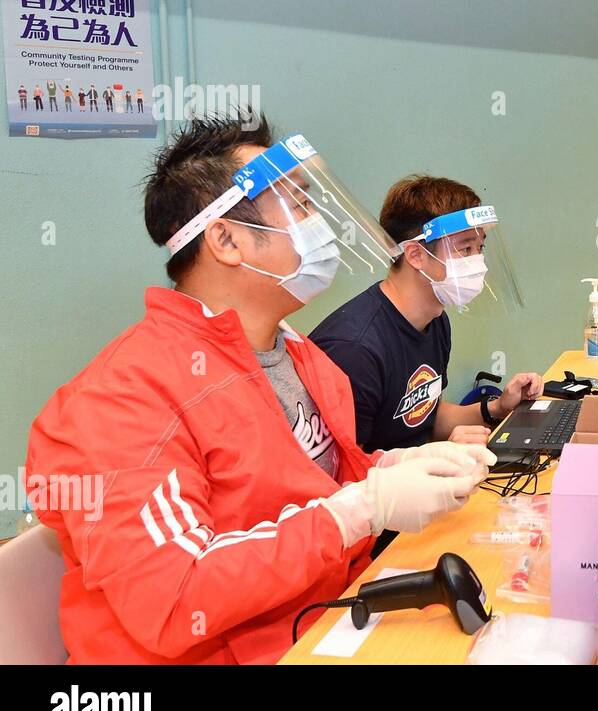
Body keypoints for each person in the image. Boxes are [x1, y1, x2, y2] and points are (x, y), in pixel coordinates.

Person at [25, 113, 494, 664]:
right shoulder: (122, 398)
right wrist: (361, 509)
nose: (318, 224)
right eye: (298, 206)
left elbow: (307, 485)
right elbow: (176, 596)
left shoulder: (292, 353)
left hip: (316, 626)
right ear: (225, 238)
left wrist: (392, 470)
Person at [312, 174, 541, 459]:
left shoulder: (434, 320)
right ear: (416, 255)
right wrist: (434, 458)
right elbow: (342, 471)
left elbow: (427, 417)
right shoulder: (353, 348)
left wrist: (498, 408)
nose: (477, 262)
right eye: (464, 248)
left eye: (479, 248)